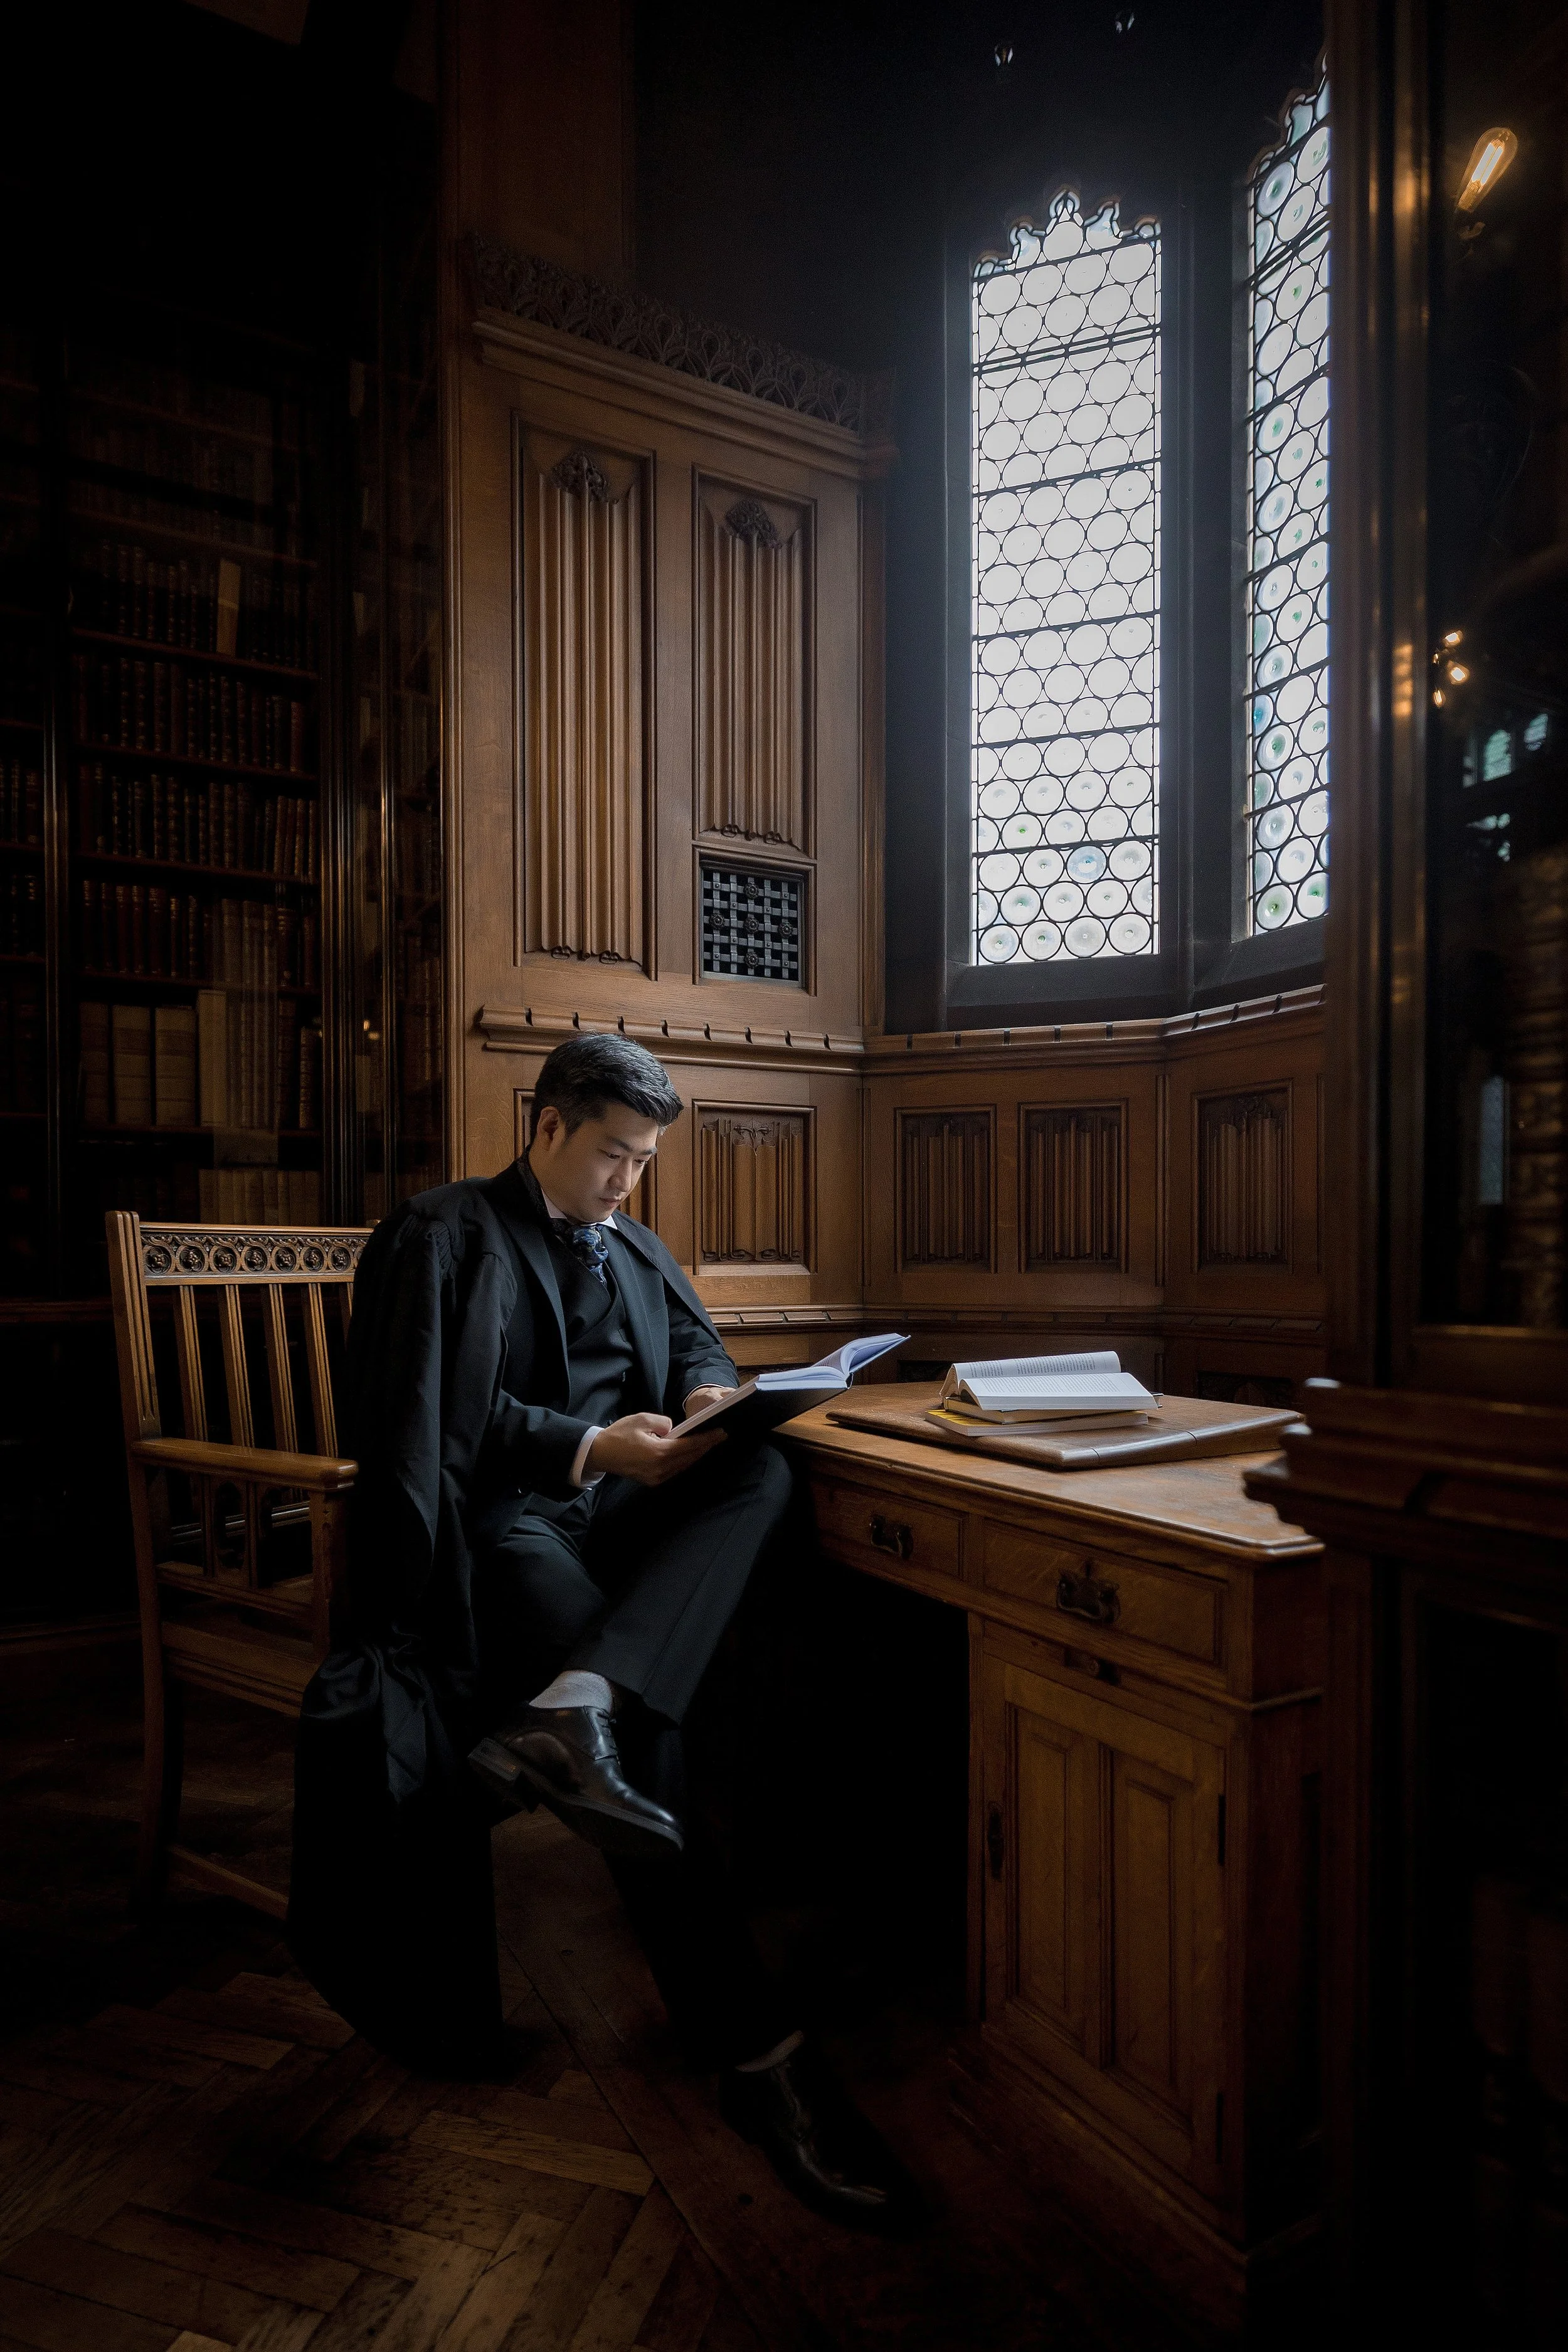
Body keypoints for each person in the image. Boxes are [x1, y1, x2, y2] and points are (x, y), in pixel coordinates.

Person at [289, 1032, 910, 2229]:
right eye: (614, 1154)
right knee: (646, 1736)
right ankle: (758, 2055)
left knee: (764, 1475)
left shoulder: (635, 1244)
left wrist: (706, 1395)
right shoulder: (444, 1231)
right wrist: (587, 1445)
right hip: (507, 1528)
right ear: (548, 1126)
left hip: (622, 1517)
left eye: (645, 1161)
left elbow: (695, 1343)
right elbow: (429, 1417)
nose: (629, 1181)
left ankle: (581, 1702)